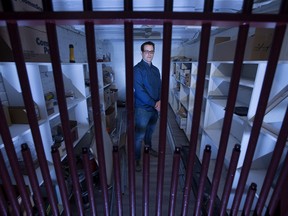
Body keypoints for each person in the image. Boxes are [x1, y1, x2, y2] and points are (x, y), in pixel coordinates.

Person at [134, 41, 161, 172]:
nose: (149, 54)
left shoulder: (156, 70)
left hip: (155, 108)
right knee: (139, 136)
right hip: (142, 109)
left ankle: (148, 149)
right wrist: (154, 103)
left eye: (151, 51)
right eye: (146, 51)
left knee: (150, 132)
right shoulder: (137, 69)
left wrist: (160, 100)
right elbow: (139, 91)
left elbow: (159, 87)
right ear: (142, 53)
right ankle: (136, 159)